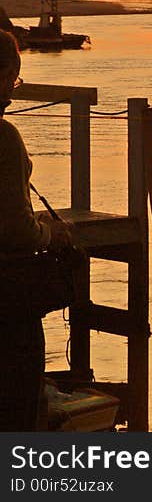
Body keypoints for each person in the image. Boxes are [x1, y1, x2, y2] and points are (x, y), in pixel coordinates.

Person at [0, 29, 72, 431]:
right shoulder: (4, 138)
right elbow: (14, 230)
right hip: (8, 304)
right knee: (16, 410)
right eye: (14, 78)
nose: (14, 88)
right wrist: (51, 232)